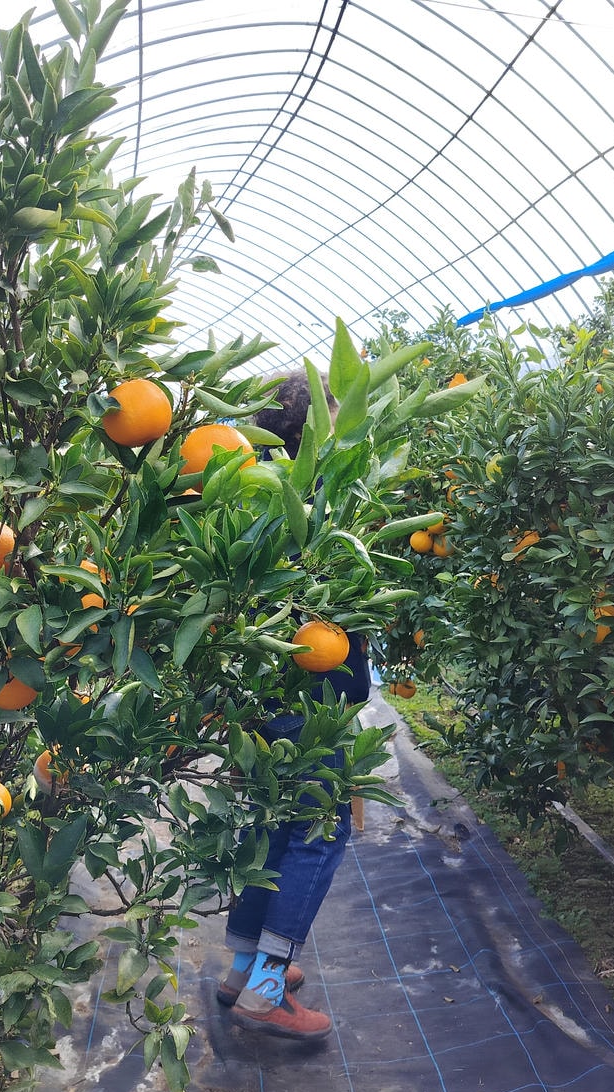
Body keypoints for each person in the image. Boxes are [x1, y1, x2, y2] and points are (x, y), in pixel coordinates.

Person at [216, 368, 371, 1041]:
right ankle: (266, 989)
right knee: (316, 832)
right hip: (312, 704)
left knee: (272, 828)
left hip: (261, 699)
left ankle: (244, 967)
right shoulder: (323, 506)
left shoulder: (245, 493)